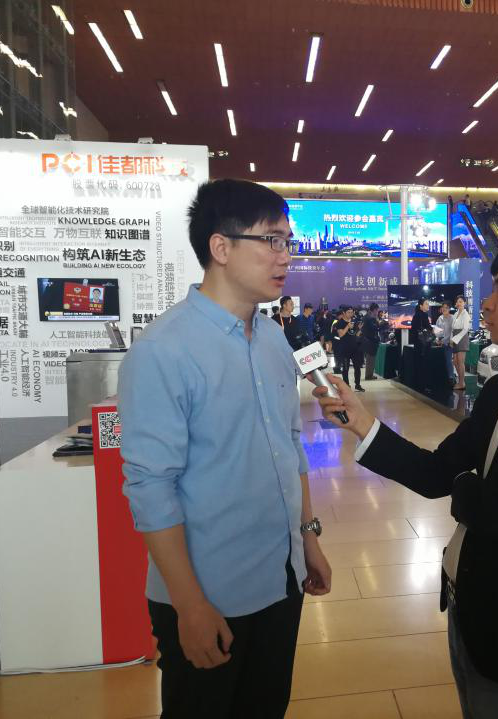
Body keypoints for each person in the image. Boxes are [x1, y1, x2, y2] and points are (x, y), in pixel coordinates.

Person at [313, 236, 498, 718]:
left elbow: (495, 509)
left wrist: (470, 487)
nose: (486, 304)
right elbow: (437, 473)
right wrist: (362, 422)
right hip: (469, 603)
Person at [117, 179, 331, 719]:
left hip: (281, 579)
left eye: (288, 242)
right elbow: (150, 487)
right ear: (221, 247)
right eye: (271, 240)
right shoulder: (162, 351)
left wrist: (307, 537)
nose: (285, 256)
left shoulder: (274, 339)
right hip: (209, 595)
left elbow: (289, 445)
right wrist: (189, 605)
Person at [335, 307, 364, 392]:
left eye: (352, 312)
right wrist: (347, 326)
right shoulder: (340, 322)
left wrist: (359, 329)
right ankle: (346, 385)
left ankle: (357, 385)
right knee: (345, 368)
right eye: (349, 312)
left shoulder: (354, 321)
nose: (351, 314)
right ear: (344, 313)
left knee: (357, 367)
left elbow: (356, 335)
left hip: (355, 348)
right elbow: (341, 335)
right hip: (345, 348)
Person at [451, 295, 471, 390]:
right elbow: (452, 328)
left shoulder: (465, 314)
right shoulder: (455, 314)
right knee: (455, 361)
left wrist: (455, 339)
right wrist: (452, 339)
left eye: (461, 301)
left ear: (464, 303)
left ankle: (461, 383)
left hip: (462, 338)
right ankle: (461, 381)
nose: (459, 303)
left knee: (460, 361)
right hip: (455, 337)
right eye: (457, 302)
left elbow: (465, 329)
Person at [437, 301, 456, 385]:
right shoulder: (439, 318)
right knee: (442, 361)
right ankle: (444, 378)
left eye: (446, 307)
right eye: (443, 307)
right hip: (441, 344)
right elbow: (437, 331)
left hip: (449, 344)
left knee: (448, 361)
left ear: (449, 309)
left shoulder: (452, 318)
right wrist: (438, 339)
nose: (444, 309)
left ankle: (451, 378)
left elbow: (453, 331)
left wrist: (451, 341)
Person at [361, 303, 381, 382]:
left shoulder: (367, 317)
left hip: (368, 340)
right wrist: (379, 323)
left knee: (370, 358)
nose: (377, 312)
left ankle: (369, 374)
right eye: (377, 311)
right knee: (370, 359)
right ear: (374, 310)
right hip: (370, 341)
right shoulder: (369, 318)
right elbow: (374, 329)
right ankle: (369, 375)